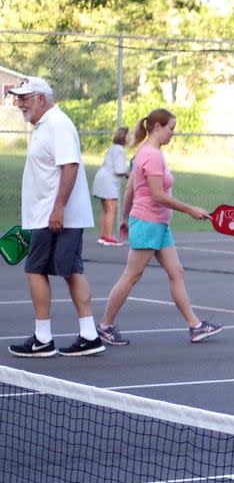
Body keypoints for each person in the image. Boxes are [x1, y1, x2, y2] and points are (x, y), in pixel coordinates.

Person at [96, 108, 222, 347]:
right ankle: (104, 327)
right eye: (170, 128)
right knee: (132, 275)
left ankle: (196, 326)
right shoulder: (151, 155)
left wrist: (124, 218)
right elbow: (157, 194)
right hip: (148, 222)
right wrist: (190, 209)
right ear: (156, 127)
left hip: (159, 224)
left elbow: (132, 188)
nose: (173, 134)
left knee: (176, 272)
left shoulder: (145, 153)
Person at [8, 76, 105, 358]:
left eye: (24, 98)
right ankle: (89, 335)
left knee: (35, 269)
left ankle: (43, 338)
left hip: (54, 216)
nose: (19, 103)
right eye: (18, 98)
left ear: (41, 98)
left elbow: (70, 166)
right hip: (49, 215)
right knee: (71, 270)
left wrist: (58, 208)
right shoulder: (44, 126)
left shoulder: (58, 124)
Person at [92, 126, 129, 246]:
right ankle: (108, 237)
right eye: (129, 135)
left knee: (106, 209)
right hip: (108, 181)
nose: (130, 138)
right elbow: (119, 169)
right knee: (111, 208)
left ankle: (103, 235)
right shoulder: (120, 150)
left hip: (102, 179)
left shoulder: (114, 148)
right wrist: (130, 174)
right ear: (124, 136)